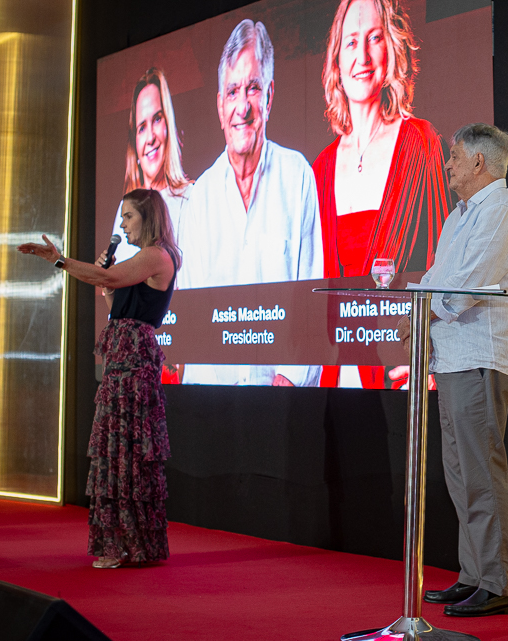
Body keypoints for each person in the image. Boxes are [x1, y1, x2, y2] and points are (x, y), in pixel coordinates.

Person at [398, 123, 508, 617]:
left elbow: (467, 285)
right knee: (459, 473)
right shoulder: (459, 216)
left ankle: (498, 583)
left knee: (480, 468)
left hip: (480, 356)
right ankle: (473, 574)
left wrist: (423, 310)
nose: (447, 164)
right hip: (452, 357)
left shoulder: (503, 211)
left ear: (479, 162)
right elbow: (435, 278)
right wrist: (414, 315)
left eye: (454, 157)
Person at [18, 189, 181, 569]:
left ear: (148, 217)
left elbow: (109, 281)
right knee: (116, 451)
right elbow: (117, 302)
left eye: (128, 216)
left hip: (133, 365)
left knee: (125, 453)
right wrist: (105, 285)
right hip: (121, 360)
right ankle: (127, 543)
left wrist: (61, 261)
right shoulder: (139, 259)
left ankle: (129, 544)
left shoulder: (156, 255)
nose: (121, 224)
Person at [177, 19, 322, 387]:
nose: (242, 107)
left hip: (282, 402)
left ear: (270, 96)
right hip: (212, 401)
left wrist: (289, 381)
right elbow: (190, 313)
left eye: (253, 88)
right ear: (219, 106)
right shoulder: (201, 198)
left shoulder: (298, 176)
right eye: (232, 91)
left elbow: (311, 294)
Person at [315, 0, 452, 389]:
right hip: (339, 374)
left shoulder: (420, 142)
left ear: (391, 47)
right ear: (336, 59)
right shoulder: (321, 168)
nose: (362, 55)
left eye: (374, 38)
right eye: (351, 42)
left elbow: (443, 263)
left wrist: (431, 353)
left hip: (402, 367)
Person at [109, 67, 193, 266]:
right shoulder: (125, 208)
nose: (150, 138)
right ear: (134, 142)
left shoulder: (191, 199)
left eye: (157, 119)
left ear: (168, 125)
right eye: (141, 128)